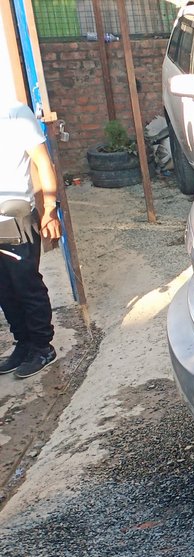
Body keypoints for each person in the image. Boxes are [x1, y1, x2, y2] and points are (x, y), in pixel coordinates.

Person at [0, 100, 61, 379]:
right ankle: (23, 344)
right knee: (4, 290)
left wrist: (49, 209)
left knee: (25, 284)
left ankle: (42, 347)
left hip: (15, 217)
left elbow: (42, 161)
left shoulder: (15, 113)